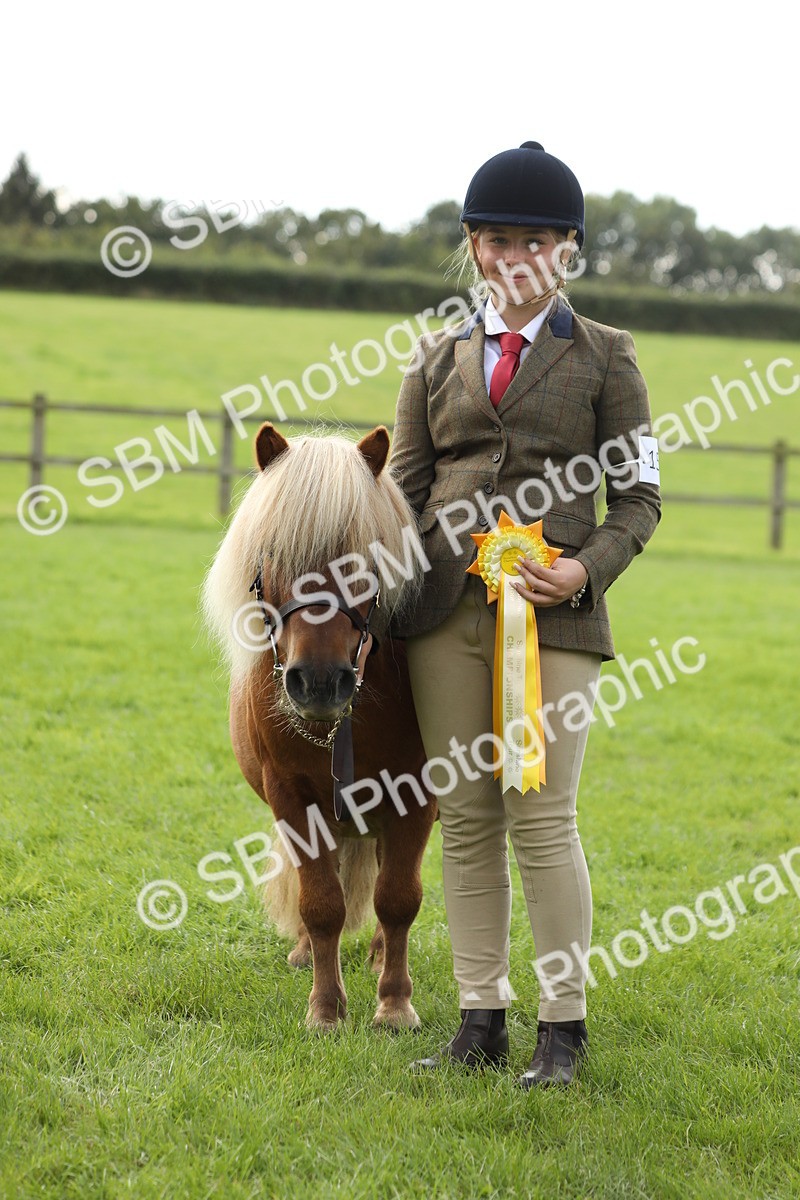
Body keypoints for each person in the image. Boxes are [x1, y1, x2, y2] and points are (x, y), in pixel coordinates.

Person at [388, 141, 661, 1088]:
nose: (516, 258)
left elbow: (639, 500)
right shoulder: (432, 360)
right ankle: (479, 1019)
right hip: (440, 619)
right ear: (473, 245)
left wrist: (583, 569)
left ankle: (565, 1029)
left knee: (542, 818)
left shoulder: (607, 359)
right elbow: (403, 490)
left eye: (536, 241)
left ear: (567, 251)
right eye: (497, 239)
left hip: (557, 621)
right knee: (463, 821)